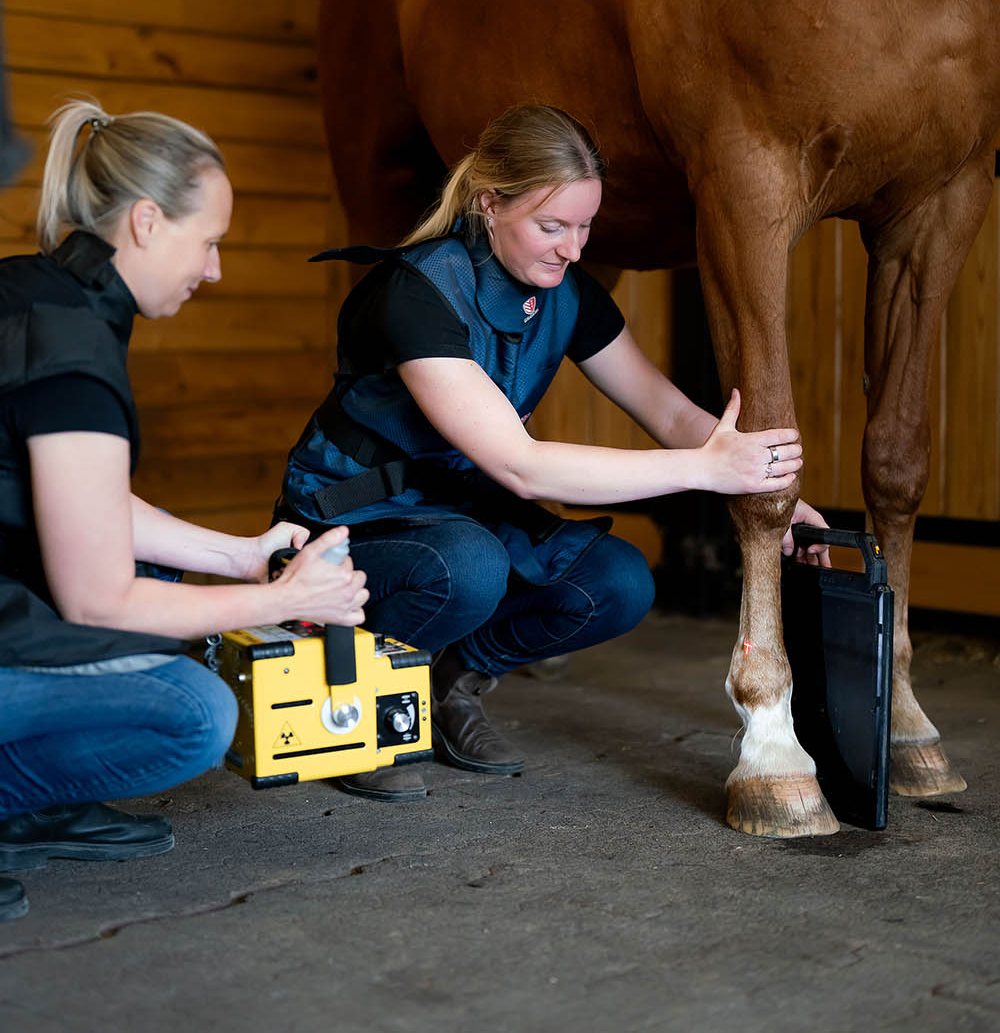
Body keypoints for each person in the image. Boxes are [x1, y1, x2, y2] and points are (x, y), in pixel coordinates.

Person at [275, 104, 829, 804]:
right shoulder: (417, 291)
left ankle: (450, 684)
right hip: (358, 515)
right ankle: (364, 699)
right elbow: (521, 465)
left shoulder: (569, 292)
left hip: (458, 510)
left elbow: (669, 412)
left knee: (620, 581)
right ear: (490, 204)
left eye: (585, 226)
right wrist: (706, 471)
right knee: (469, 568)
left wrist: (774, 494)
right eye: (552, 226)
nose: (573, 248)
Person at [0, 99, 367, 923]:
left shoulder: (38, 293)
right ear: (146, 221)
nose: (215, 269)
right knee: (195, 713)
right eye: (209, 241)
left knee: (166, 588)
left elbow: (83, 496)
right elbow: (99, 599)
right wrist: (280, 598)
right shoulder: (70, 350)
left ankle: (30, 803)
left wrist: (242, 555)